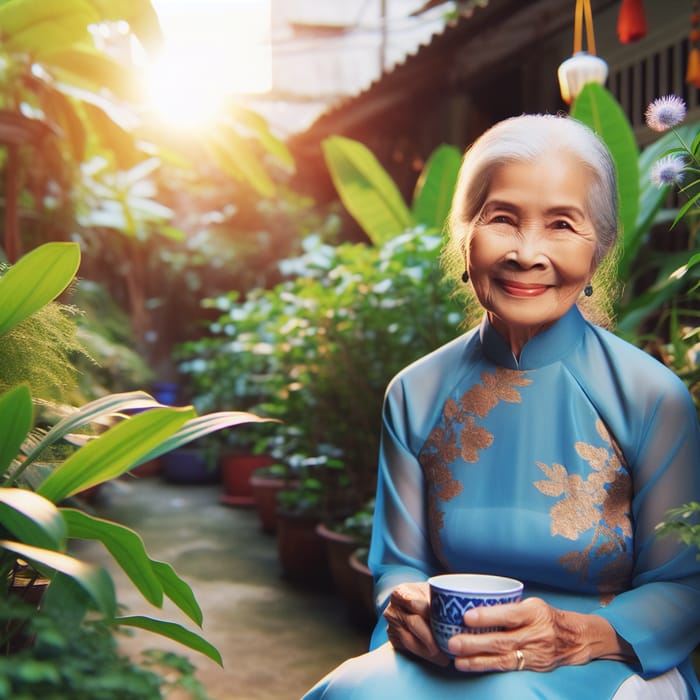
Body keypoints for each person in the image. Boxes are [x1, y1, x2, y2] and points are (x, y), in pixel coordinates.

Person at [301, 113, 700, 699]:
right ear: (465, 236)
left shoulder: (651, 397)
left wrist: (573, 634)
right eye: (503, 219)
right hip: (452, 655)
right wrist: (409, 612)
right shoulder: (415, 394)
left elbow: (686, 588)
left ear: (602, 248)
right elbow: (398, 568)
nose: (527, 253)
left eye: (562, 223)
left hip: (614, 656)